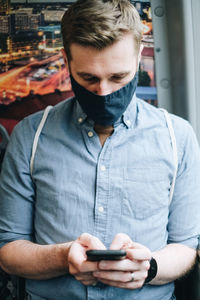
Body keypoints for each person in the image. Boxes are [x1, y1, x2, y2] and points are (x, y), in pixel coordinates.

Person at [0, 0, 200, 299]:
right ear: (67, 60)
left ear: (139, 56)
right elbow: (9, 247)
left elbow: (186, 246)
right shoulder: (30, 135)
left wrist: (149, 268)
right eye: (89, 78)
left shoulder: (178, 137)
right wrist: (63, 257)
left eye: (118, 77)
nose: (104, 92)